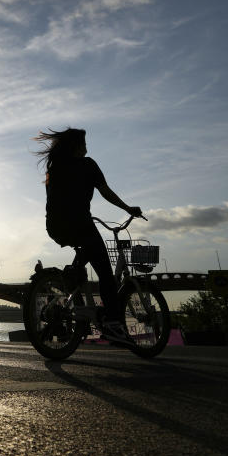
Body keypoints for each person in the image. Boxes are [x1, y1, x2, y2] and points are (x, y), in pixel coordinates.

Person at [33, 128, 143, 346]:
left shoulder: (53, 169)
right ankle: (112, 325)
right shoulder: (88, 165)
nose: (87, 147)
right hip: (80, 224)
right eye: (84, 143)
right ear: (77, 146)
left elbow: (54, 200)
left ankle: (71, 278)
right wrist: (128, 208)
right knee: (105, 272)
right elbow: (106, 192)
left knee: (85, 252)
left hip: (55, 226)